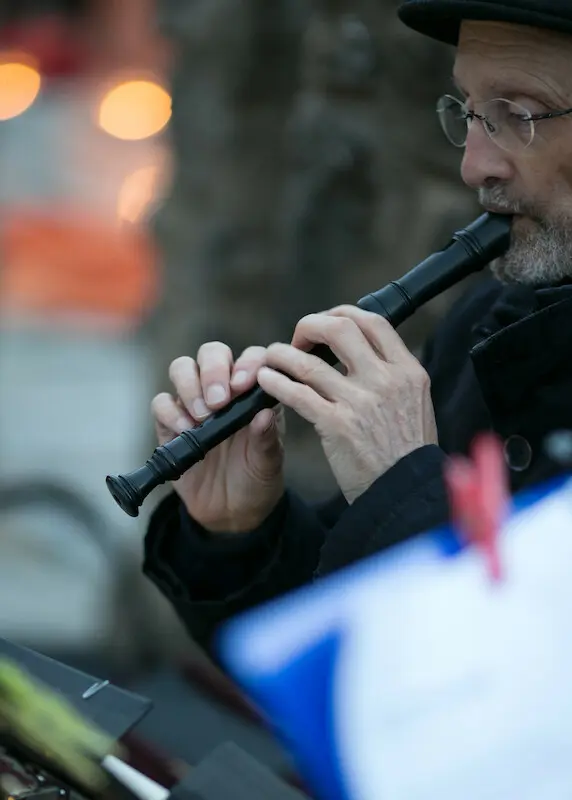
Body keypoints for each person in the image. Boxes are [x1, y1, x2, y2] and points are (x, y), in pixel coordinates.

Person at [143, 0, 572, 656]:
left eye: (517, 114)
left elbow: (528, 703)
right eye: (469, 110)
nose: (475, 166)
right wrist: (240, 532)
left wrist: (405, 489)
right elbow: (345, 655)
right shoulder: (490, 328)